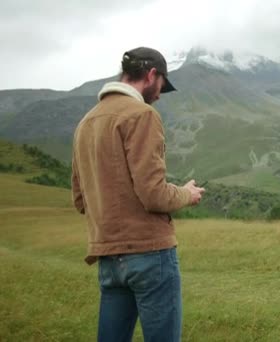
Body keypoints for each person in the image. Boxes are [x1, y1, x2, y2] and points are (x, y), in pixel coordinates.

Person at [71, 47, 205, 342]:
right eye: (161, 87)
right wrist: (186, 194)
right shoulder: (142, 114)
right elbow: (154, 194)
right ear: (152, 75)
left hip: (107, 254)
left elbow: (80, 199)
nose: (159, 95)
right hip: (149, 252)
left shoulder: (86, 123)